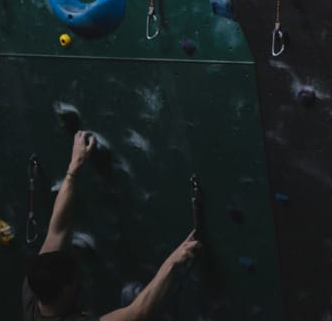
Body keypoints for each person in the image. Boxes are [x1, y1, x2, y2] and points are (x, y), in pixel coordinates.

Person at [23, 131, 200, 321]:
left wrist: (74, 168)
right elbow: (139, 311)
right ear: (66, 289)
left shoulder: (35, 291)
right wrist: (174, 261)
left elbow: (57, 230)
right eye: (75, 279)